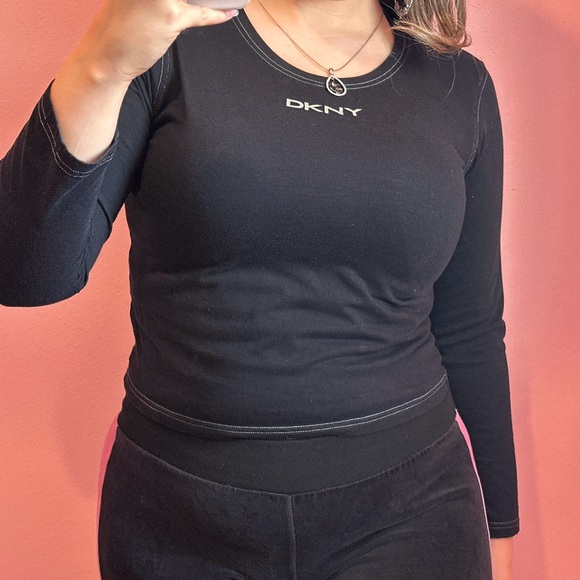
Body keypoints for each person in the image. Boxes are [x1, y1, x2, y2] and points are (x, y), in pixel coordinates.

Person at [0, 0, 519, 578]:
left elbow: (471, 328)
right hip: (177, 517)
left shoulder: (460, 86)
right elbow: (24, 274)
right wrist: (101, 62)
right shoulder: (167, 41)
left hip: (414, 517)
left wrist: (499, 526)